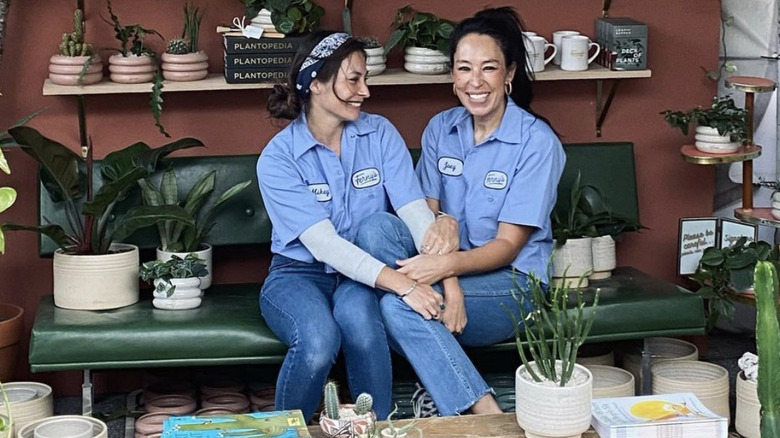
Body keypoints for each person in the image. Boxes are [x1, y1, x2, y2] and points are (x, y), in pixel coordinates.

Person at [256, 30, 456, 422]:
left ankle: (375, 427)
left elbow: (416, 213)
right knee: (318, 340)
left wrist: (444, 274)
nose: (365, 91)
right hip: (298, 275)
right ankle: (285, 431)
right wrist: (405, 285)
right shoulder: (278, 159)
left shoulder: (379, 134)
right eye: (353, 79)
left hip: (362, 276)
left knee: (362, 330)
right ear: (315, 82)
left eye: (366, 78)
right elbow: (325, 246)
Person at [379, 7, 566, 416]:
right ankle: (440, 394)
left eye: (489, 68)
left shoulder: (536, 143)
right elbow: (421, 221)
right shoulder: (440, 129)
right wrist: (451, 283)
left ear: (509, 74)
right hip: (449, 272)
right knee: (376, 233)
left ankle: (483, 414)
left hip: (512, 282)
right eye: (464, 68)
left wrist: (445, 268)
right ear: (452, 75)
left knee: (396, 305)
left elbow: (507, 247)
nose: (475, 81)